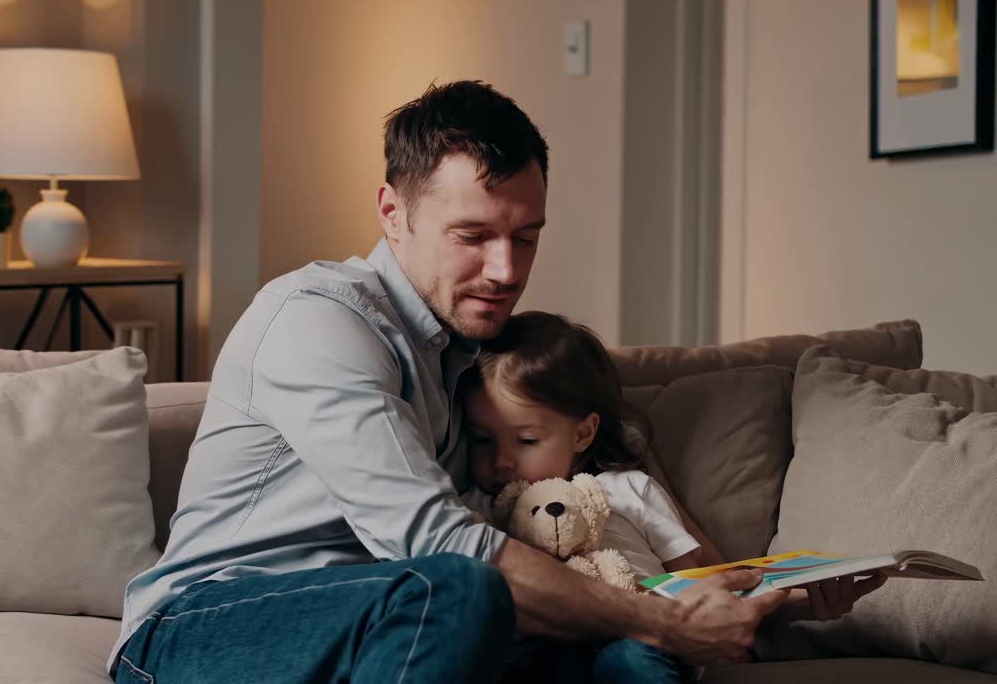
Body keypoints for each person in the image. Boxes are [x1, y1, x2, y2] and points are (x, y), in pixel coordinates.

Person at [108, 80, 860, 684]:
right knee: (460, 588)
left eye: (525, 236)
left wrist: (763, 602)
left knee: (619, 654)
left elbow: (539, 521)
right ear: (391, 212)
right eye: (473, 236)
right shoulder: (318, 321)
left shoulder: (476, 360)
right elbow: (436, 542)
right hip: (204, 627)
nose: (506, 271)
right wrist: (665, 620)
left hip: (401, 632)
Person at [462, 311, 889, 683]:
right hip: (549, 647)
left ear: (583, 432)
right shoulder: (485, 511)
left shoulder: (627, 489)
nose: (501, 461)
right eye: (481, 440)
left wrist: (797, 599)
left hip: (644, 640)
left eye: (527, 440)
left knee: (629, 661)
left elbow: (700, 576)